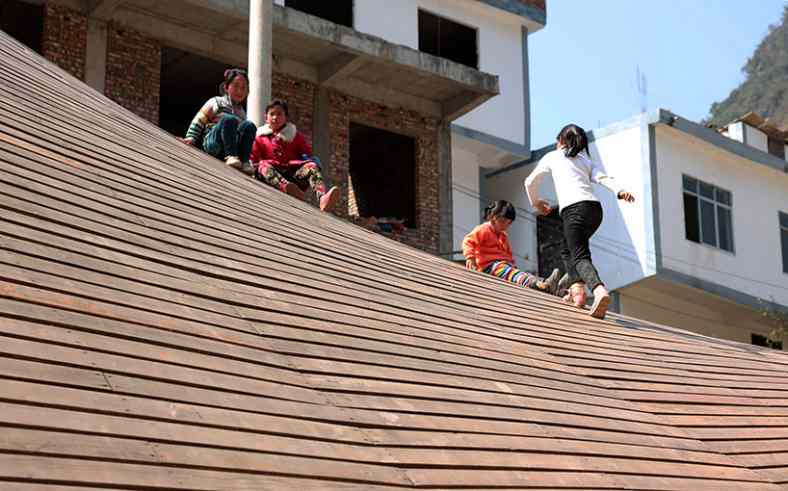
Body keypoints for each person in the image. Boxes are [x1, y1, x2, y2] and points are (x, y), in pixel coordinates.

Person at [525, 123, 635, 319]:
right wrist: (620, 191)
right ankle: (578, 294)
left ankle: (599, 290)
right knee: (568, 250)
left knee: (579, 255)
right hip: (594, 210)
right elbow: (603, 178)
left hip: (573, 210)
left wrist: (536, 203)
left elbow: (529, 182)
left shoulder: (553, 156)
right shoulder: (585, 160)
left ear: (560, 141)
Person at [250, 99, 339, 213]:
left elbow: (307, 155)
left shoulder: (295, 136)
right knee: (263, 165)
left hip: (292, 173)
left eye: (279, 114)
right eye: (272, 114)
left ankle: (323, 198)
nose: (275, 117)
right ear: (266, 117)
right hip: (272, 176)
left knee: (311, 165)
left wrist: (308, 162)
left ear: (286, 117)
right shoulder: (260, 138)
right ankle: (288, 188)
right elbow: (253, 160)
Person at [463, 200, 559, 293]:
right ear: (492, 217)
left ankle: (547, 284)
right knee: (511, 273)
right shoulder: (483, 229)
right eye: (502, 221)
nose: (505, 225)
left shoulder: (503, 236)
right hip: (488, 267)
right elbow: (468, 241)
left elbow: (508, 255)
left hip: (503, 266)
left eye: (508, 223)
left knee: (517, 273)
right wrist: (470, 258)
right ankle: (537, 284)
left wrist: (513, 266)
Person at [182, 68, 256, 172]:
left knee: (249, 125)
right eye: (236, 86)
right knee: (229, 119)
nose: (240, 90)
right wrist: (191, 137)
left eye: (243, 87)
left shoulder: (242, 112)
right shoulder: (216, 102)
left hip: (233, 147)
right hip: (214, 144)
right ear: (226, 87)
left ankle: (244, 161)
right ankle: (230, 155)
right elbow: (199, 119)